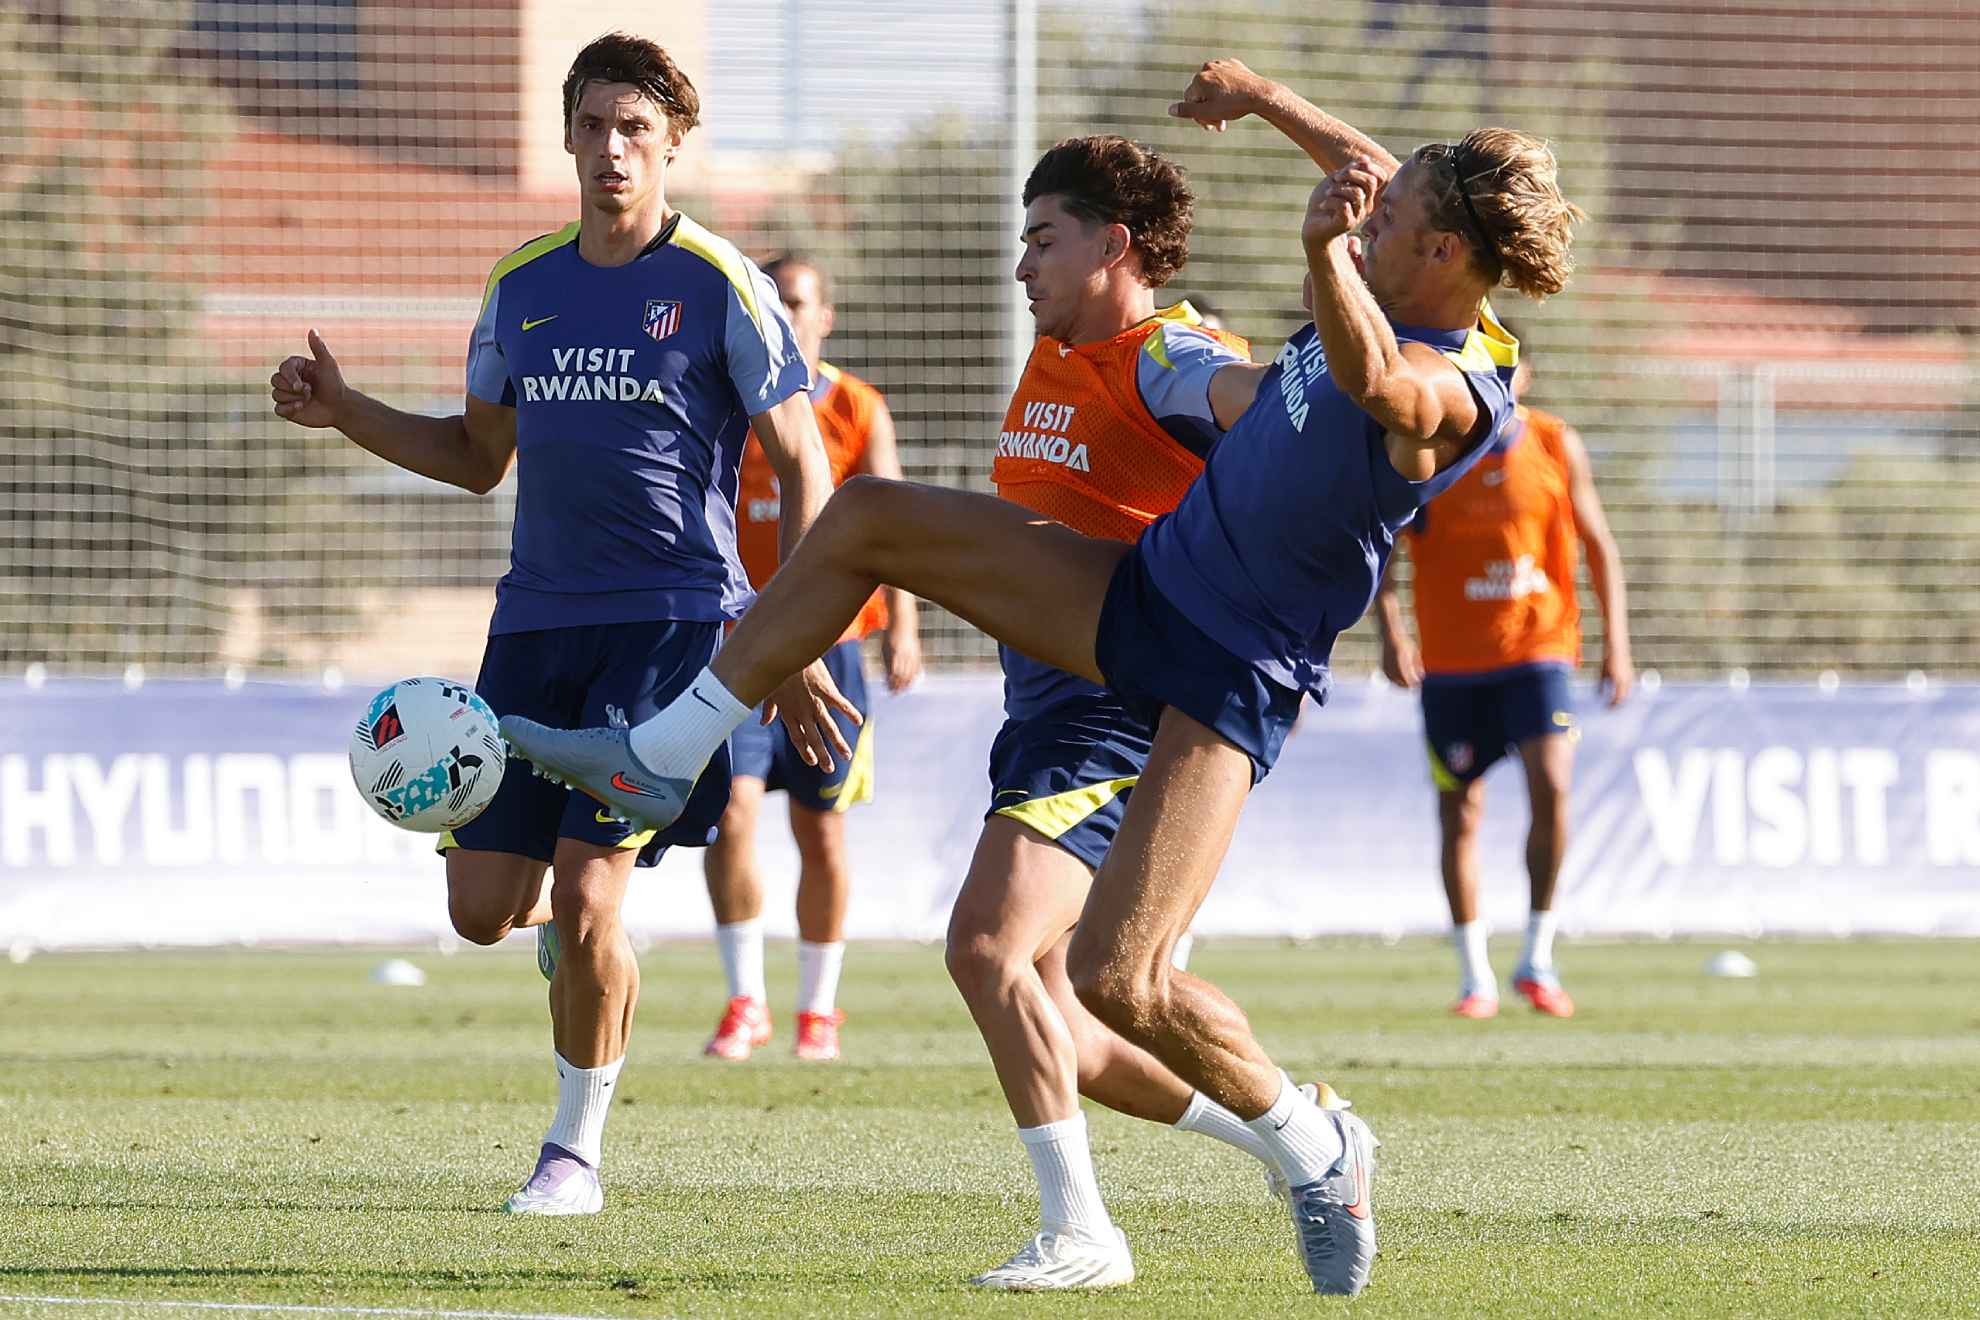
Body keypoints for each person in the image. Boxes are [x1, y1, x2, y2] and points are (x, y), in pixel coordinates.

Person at [504, 56, 1583, 1296]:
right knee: (864, 518)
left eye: (1393, 218)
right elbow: (1369, 175)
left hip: (1232, 670)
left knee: (1120, 979)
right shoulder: (1414, 243)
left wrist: (1326, 255)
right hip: (1146, 593)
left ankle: (1312, 1141)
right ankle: (661, 754)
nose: (1371, 203)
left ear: (1437, 256)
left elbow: (1377, 383)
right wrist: (1268, 101)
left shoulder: (1460, 382)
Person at [270, 31, 840, 1217]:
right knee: (483, 914)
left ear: (673, 142)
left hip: (672, 632)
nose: (610, 149)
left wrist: (792, 643)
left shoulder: (719, 282)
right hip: (530, 635)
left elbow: (805, 465)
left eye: (634, 127)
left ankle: (572, 1154)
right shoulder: (522, 286)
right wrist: (347, 411)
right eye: (591, 125)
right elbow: (476, 458)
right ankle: (573, 956)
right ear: (567, 136)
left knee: (590, 900)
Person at [946, 134, 1345, 1290]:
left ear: (1114, 247)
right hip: (1043, 712)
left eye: (1042, 239)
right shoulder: (1056, 353)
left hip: (1117, 715)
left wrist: (1303, 381)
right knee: (1077, 1019)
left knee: (987, 949)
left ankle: (1083, 1235)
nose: (1022, 264)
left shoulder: (1167, 349)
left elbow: (1250, 402)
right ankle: (1298, 1138)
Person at [702, 253, 922, 1064]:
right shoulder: (733, 405)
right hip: (738, 651)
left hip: (835, 652)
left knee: (821, 833)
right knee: (731, 819)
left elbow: (892, 519)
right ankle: (744, 1001)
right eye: (775, 304)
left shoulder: (859, 407)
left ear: (824, 317)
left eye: (798, 303)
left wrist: (904, 627)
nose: (788, 316)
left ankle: (818, 1009)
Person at [1373, 348, 1632, 1019]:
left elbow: (1596, 540)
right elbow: (1383, 551)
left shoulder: (1553, 442)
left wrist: (1618, 646)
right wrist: (1392, 635)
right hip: (1453, 664)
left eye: (1505, 368)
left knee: (1554, 785)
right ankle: (1474, 975)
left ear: (1524, 376)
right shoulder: (1430, 450)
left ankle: (1538, 956)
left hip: (1540, 649)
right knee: (1460, 812)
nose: (1494, 380)